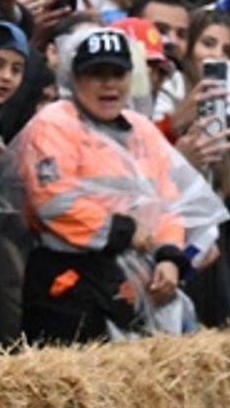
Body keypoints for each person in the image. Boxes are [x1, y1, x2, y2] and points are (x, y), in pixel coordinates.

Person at [16, 27, 191, 345]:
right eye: (97, 73)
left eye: (118, 73)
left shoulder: (141, 129)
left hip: (134, 277)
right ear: (76, 78)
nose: (109, 83)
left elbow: (167, 201)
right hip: (68, 280)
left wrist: (169, 255)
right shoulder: (53, 124)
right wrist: (124, 230)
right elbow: (53, 201)